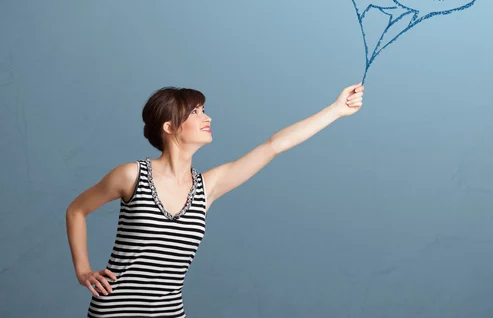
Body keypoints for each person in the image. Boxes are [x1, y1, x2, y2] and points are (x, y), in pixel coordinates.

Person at [66, 83, 365, 317]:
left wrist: (336, 110)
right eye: (195, 112)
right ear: (169, 127)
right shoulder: (131, 176)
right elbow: (77, 210)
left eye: (204, 110)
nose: (207, 117)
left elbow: (274, 146)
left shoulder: (207, 187)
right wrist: (83, 270)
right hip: (116, 312)